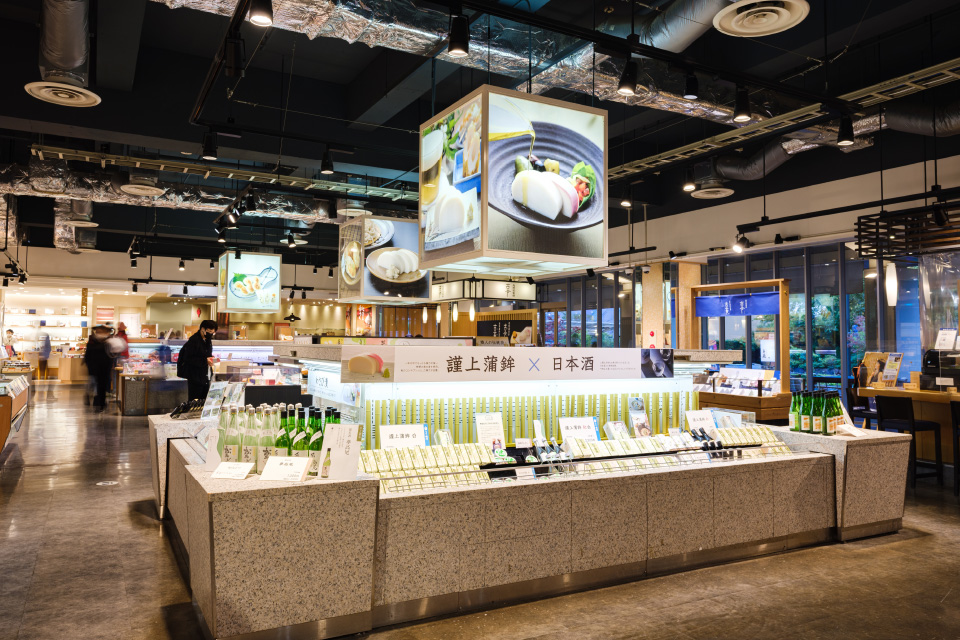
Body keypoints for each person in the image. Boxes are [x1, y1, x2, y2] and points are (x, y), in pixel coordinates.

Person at [178, 320, 217, 400]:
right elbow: (188, 358)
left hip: (205, 376)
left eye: (213, 332)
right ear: (202, 329)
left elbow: (206, 355)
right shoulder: (194, 340)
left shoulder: (207, 340)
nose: (211, 334)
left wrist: (210, 359)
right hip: (195, 377)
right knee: (194, 402)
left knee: (204, 402)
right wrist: (205, 360)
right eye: (209, 331)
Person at [84, 325, 114, 412]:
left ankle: (100, 404)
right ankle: (98, 403)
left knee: (101, 386)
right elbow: (88, 356)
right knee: (96, 386)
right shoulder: (93, 342)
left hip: (104, 369)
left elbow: (110, 356)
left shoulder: (107, 342)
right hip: (95, 368)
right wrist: (90, 367)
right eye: (99, 331)